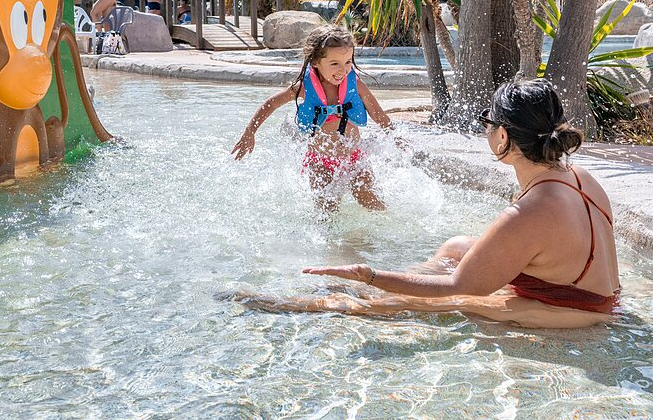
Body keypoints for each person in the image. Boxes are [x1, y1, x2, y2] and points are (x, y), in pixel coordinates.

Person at [237, 79, 622, 329]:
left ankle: (311, 303)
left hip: (571, 310)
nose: (486, 129)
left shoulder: (526, 212)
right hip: (585, 287)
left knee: (425, 302)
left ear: (503, 137)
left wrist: (370, 275)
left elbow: (457, 286)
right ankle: (384, 287)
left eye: (488, 121)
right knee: (456, 247)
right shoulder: (578, 175)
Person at [231, 24, 395, 210]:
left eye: (348, 62)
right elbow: (271, 103)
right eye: (335, 64)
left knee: (372, 202)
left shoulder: (355, 84)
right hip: (320, 162)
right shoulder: (304, 87)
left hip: (354, 159)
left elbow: (378, 115)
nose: (343, 70)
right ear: (316, 61)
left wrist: (394, 137)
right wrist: (250, 132)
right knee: (326, 209)